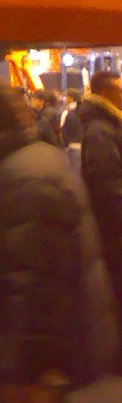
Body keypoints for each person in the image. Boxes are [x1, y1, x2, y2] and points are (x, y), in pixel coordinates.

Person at [0, 76, 118, 400]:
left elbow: (36, 284)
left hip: (26, 372)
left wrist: (22, 370)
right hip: (20, 363)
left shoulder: (26, 178)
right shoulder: (22, 166)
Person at [81, 70, 122, 316]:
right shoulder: (100, 131)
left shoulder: (108, 125)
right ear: (106, 94)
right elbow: (107, 186)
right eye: (120, 91)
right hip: (114, 230)